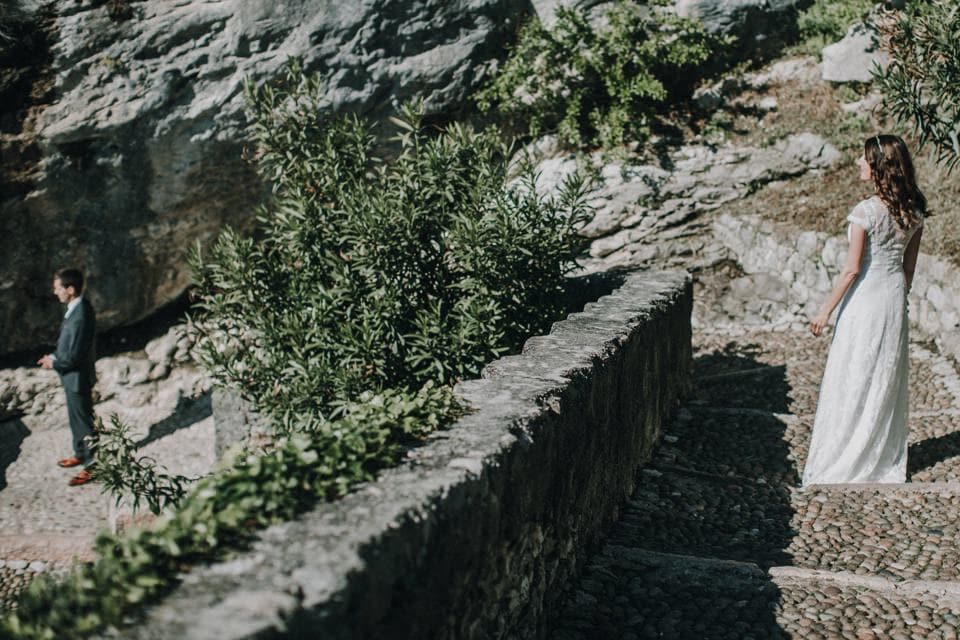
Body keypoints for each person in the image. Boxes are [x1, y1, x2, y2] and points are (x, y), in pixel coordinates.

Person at [802, 134, 927, 486]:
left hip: (864, 301)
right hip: (892, 299)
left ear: (878, 166)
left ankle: (843, 456)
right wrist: (899, 301)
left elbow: (852, 269)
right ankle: (876, 451)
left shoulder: (865, 212)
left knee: (852, 373)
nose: (858, 162)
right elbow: (908, 270)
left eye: (864, 157)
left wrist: (825, 312)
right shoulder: (914, 211)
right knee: (882, 376)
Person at [37, 268, 98, 486]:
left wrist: (53, 362)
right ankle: (80, 453)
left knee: (84, 422)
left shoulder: (81, 314)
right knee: (76, 419)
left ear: (70, 289)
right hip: (72, 377)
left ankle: (93, 465)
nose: (55, 293)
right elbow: (68, 346)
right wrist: (54, 355)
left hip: (77, 377)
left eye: (57, 288)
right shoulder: (77, 308)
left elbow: (74, 356)